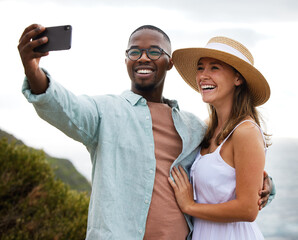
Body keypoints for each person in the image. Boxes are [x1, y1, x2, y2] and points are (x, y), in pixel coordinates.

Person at [18, 25, 274, 240]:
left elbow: (224, 172)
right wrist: (33, 69)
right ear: (126, 59)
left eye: (154, 51)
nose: (143, 58)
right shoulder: (105, 112)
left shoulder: (193, 127)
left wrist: (266, 185)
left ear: (169, 62)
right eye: (134, 52)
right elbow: (64, 107)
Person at [168, 36, 273, 239]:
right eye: (200, 68)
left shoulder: (246, 132)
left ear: (238, 78)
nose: (203, 76)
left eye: (214, 68)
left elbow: (248, 210)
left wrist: (190, 206)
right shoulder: (208, 127)